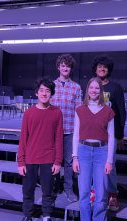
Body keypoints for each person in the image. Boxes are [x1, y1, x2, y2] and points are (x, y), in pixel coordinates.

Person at [17, 78, 63, 221]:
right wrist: (21, 161)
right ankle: (28, 216)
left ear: (52, 94)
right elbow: (23, 138)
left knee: (47, 190)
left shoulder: (57, 113)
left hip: (48, 158)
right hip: (30, 158)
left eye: (48, 91)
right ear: (36, 93)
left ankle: (46, 216)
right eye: (42, 90)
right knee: (28, 190)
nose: (44, 93)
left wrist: (57, 161)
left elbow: (59, 139)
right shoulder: (29, 113)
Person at [72, 77, 115, 221]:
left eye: (97, 88)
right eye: (91, 88)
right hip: (83, 152)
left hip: (101, 153)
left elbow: (111, 137)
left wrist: (109, 161)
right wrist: (75, 157)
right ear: (87, 90)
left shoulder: (108, 111)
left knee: (101, 194)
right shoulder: (80, 109)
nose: (94, 90)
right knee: (83, 193)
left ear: (101, 91)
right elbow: (76, 134)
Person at [92, 54, 126, 211]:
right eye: (99, 66)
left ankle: (112, 195)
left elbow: (121, 112)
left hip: (110, 135)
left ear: (108, 70)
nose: (102, 68)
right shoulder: (91, 85)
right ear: (95, 69)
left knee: (109, 165)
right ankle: (95, 192)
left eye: (105, 67)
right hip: (92, 134)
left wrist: (120, 135)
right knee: (93, 165)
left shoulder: (116, 87)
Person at [50, 54, 82, 202]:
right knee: (53, 160)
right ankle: (54, 187)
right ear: (58, 67)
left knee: (69, 162)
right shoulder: (51, 85)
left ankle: (69, 189)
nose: (65, 68)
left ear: (71, 68)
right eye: (62, 65)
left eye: (67, 66)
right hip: (53, 131)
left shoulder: (76, 87)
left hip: (70, 131)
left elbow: (79, 110)